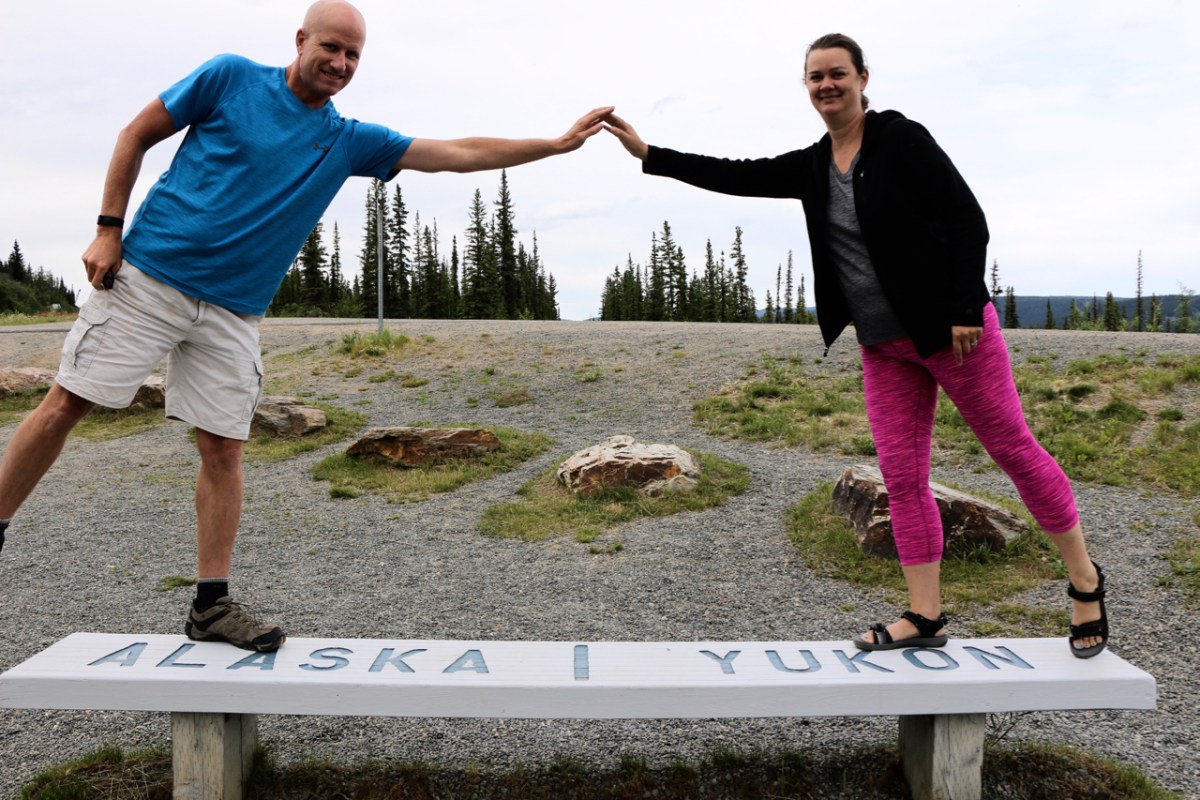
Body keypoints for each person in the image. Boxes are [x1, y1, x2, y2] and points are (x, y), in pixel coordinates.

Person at [0, 0, 611, 653]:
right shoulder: (230, 77)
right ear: (300, 40)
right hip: (150, 276)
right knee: (68, 402)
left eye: (353, 56)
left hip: (234, 310)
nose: (341, 64)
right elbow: (135, 134)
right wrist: (106, 228)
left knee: (224, 450)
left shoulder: (347, 140)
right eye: (331, 48)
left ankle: (211, 607)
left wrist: (555, 143)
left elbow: (455, 151)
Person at [603, 33, 1109, 657]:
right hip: (885, 347)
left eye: (837, 74)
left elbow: (965, 219)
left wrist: (960, 306)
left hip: (954, 336)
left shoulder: (901, 139)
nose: (826, 86)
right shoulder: (815, 164)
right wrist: (649, 153)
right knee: (902, 479)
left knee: (1014, 451)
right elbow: (737, 175)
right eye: (815, 77)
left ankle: (1085, 583)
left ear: (863, 78)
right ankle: (925, 615)